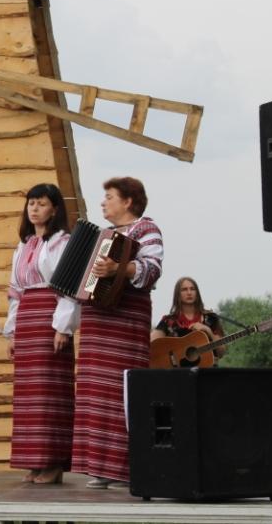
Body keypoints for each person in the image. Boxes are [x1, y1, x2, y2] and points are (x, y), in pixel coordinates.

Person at [72, 176, 163, 489]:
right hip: (96, 321)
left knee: (119, 392)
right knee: (94, 394)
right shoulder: (102, 236)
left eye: (109, 197)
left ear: (128, 201)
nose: (103, 202)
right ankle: (100, 467)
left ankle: (125, 467)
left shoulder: (146, 229)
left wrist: (118, 269)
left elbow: (152, 269)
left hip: (125, 320)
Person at [2, 183, 75, 485]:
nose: (34, 208)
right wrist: (12, 332)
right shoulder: (25, 245)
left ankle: (53, 462)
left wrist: (63, 327)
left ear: (54, 209)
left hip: (50, 316)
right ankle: (34, 461)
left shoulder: (62, 242)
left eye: (41, 203)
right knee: (28, 395)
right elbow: (15, 292)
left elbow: (68, 287)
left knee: (48, 392)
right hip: (28, 319)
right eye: (31, 203)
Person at [151, 276, 226, 364]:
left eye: (192, 289)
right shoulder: (168, 321)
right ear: (178, 294)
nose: (189, 293)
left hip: (207, 369)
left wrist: (208, 331)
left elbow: (221, 353)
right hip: (178, 371)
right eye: (184, 290)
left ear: (197, 293)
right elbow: (151, 344)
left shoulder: (210, 318)